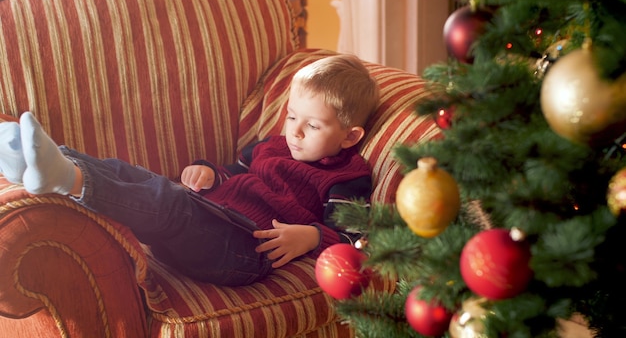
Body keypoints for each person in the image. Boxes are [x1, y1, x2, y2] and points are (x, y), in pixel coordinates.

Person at [0, 54, 380, 286]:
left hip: (244, 249)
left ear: (350, 136)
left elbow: (354, 238)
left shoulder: (346, 176)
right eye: (292, 116)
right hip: (210, 218)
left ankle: (66, 178)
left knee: (167, 203)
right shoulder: (273, 146)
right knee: (140, 177)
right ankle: (46, 159)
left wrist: (312, 237)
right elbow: (236, 172)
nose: (294, 131)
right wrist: (210, 173)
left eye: (312, 126)